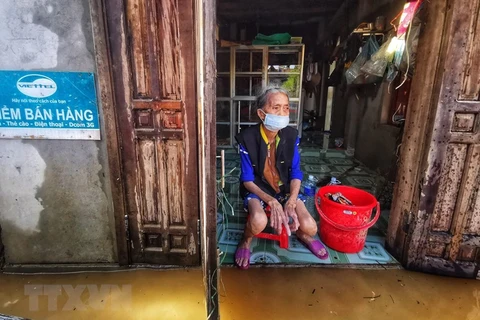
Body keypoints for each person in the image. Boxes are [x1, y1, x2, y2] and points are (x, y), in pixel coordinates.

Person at [234, 86, 329, 269]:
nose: (283, 112)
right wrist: (272, 201)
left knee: (310, 226)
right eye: (276, 107)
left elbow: (295, 172)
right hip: (258, 188)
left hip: (285, 189)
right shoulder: (247, 138)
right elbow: (247, 179)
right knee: (258, 221)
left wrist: (292, 201)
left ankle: (303, 235)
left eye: (286, 107)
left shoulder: (291, 136)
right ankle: (246, 240)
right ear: (262, 114)